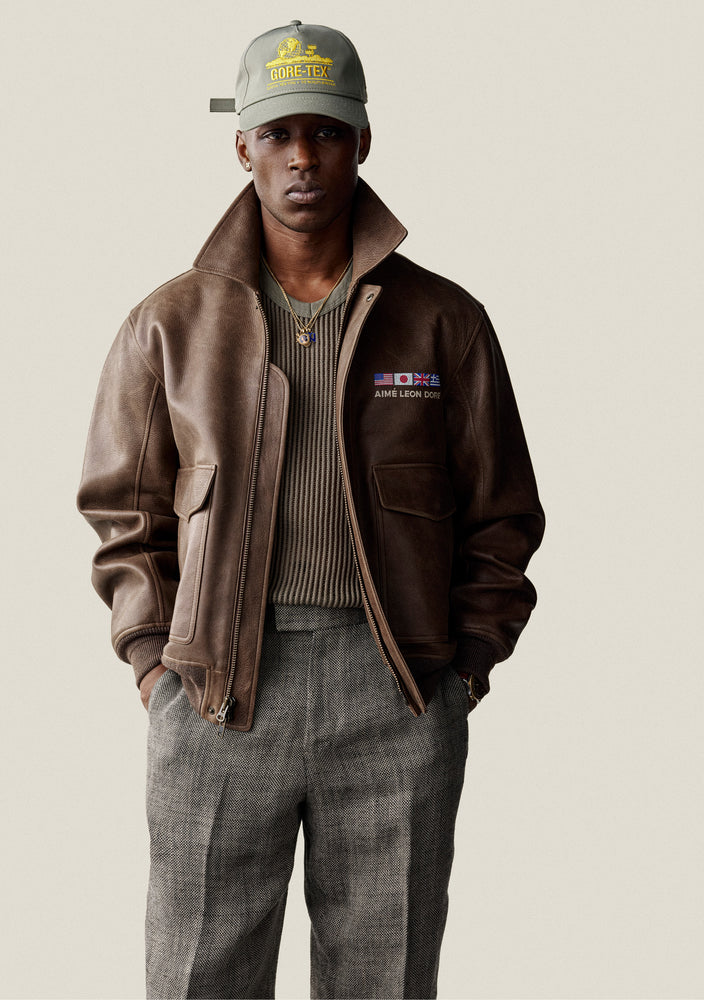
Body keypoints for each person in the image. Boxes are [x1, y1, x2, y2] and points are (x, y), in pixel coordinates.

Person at [77, 19, 545, 1000]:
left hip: (394, 691)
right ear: (239, 144)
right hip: (215, 695)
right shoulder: (167, 323)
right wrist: (155, 666)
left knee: (383, 978)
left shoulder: (440, 319)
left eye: (325, 132)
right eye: (279, 132)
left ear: (362, 141)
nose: (302, 157)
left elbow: (499, 513)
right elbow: (124, 514)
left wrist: (457, 666)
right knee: (198, 975)